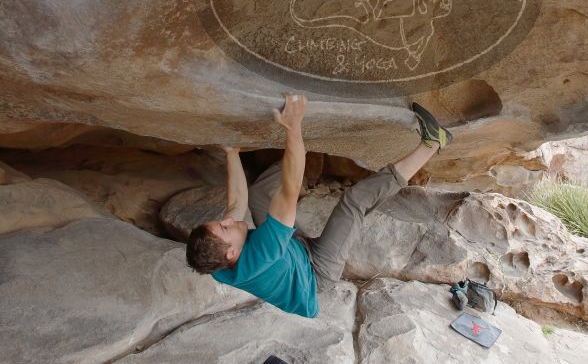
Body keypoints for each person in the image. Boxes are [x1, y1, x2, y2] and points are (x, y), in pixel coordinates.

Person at [185, 93, 453, 318]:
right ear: (232, 253)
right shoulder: (263, 252)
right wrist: (294, 127)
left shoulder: (217, 266)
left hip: (292, 252)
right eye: (224, 227)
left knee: (257, 195)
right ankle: (433, 142)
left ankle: (305, 159)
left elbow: (235, 203)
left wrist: (231, 152)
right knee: (354, 202)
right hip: (317, 273)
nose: (228, 220)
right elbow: (288, 190)